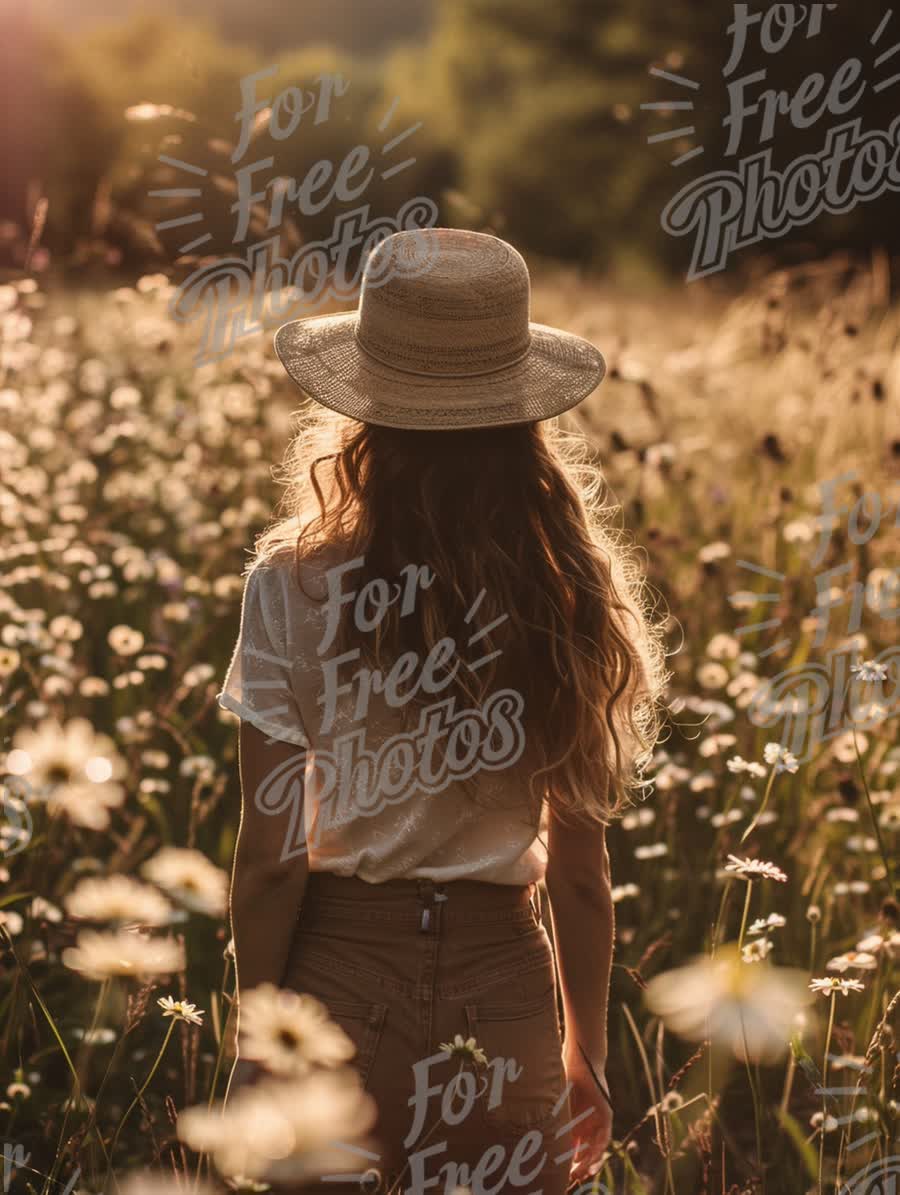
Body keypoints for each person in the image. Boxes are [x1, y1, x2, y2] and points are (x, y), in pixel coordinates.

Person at [215, 227, 667, 1193]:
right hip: (504, 988)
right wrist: (585, 1052)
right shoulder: (566, 590)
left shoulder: (291, 584)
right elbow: (582, 874)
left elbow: (270, 855)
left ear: (364, 407)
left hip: (338, 982)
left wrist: (256, 1044)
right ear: (520, 413)